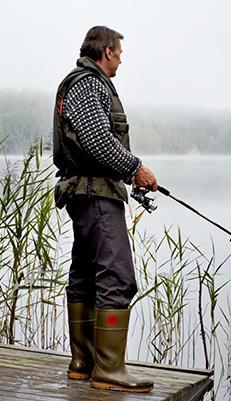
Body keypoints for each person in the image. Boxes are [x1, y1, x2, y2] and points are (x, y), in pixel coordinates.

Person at [53, 26, 156, 393]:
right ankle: (109, 370)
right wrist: (135, 169)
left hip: (86, 193)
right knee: (117, 277)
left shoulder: (84, 83)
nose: (122, 60)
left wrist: (128, 173)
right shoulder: (88, 82)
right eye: (120, 53)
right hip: (95, 195)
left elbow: (91, 143)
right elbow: (97, 140)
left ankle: (83, 364)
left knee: (84, 276)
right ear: (107, 51)